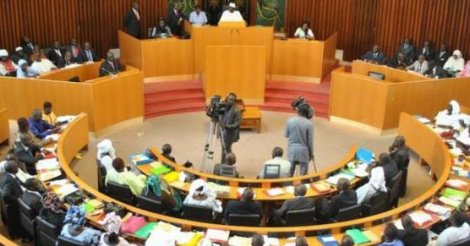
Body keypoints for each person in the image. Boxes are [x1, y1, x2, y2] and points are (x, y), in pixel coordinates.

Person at [285, 103, 314, 176]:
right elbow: (310, 142)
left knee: (289, 175)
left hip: (291, 151)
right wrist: (311, 155)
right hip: (303, 153)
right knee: (303, 177)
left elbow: (286, 135)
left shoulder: (290, 121)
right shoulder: (309, 124)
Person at [0, 161, 24, 239]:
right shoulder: (8, 179)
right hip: (15, 205)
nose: (17, 168)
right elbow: (6, 195)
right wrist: (19, 200)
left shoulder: (8, 175)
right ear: (12, 169)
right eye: (16, 167)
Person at [220, 93, 241, 162]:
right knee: (224, 148)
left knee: (226, 148)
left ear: (234, 101)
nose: (230, 101)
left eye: (232, 100)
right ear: (226, 99)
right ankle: (226, 161)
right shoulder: (223, 107)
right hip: (222, 131)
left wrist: (227, 126)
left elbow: (237, 124)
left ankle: (226, 162)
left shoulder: (237, 111)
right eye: (229, 99)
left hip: (230, 133)